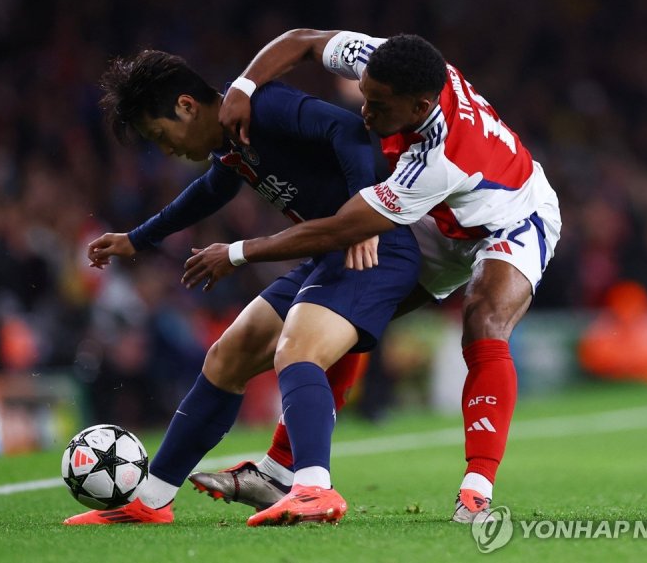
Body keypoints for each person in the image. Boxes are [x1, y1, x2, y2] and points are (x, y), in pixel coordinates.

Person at [182, 29, 562, 524]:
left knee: (483, 319)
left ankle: (476, 493)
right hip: (440, 214)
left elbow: (340, 228)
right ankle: (278, 470)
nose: (365, 112)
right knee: (351, 305)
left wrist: (237, 252)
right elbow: (301, 41)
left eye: (380, 106)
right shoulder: (385, 63)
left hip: (511, 214)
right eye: (365, 96)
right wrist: (245, 87)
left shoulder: (440, 157)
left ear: (420, 104)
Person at [63, 49, 421, 525]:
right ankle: (149, 501)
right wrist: (137, 238)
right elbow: (213, 189)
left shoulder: (264, 105)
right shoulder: (232, 144)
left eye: (159, 134)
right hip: (330, 254)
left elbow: (348, 129)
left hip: (377, 249)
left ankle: (313, 489)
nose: (165, 148)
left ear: (187, 106)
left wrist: (363, 212)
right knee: (226, 357)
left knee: (297, 351)